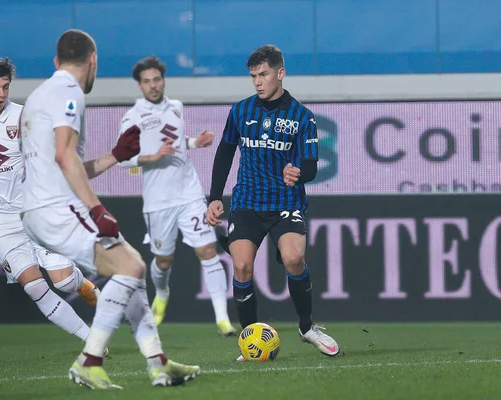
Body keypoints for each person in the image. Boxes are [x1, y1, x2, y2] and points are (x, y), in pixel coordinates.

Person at [19, 29, 201, 390]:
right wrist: (97, 209)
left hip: (42, 207)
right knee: (132, 267)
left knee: (131, 266)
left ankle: (158, 362)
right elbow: (65, 155)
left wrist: (116, 156)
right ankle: (89, 361)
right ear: (93, 60)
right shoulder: (68, 90)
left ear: (56, 61)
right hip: (58, 207)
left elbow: (66, 165)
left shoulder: (41, 93)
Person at [205, 45, 340, 359]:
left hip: (285, 203)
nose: (257, 82)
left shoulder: (302, 117)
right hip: (248, 202)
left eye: (263, 74)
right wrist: (214, 197)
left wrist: (299, 173)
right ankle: (249, 338)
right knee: (241, 266)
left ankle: (307, 328)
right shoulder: (240, 111)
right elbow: (224, 153)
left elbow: (309, 164)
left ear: (280, 73)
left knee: (293, 259)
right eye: (253, 76)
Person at [0, 56, 99, 344]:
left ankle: (96, 294)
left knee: (65, 281)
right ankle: (91, 338)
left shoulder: (24, 116)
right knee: (34, 288)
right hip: (1, 221)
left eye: (6, 87)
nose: (1, 94)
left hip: (37, 212)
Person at [116, 56, 236, 337]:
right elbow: (122, 159)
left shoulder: (176, 107)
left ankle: (223, 320)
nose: (153, 85)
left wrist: (195, 142)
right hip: (159, 201)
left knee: (207, 250)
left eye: (156, 79)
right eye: (147, 81)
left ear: (163, 80)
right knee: (163, 261)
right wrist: (152, 156)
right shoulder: (132, 117)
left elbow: (178, 143)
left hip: (189, 192)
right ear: (140, 85)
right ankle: (162, 292)